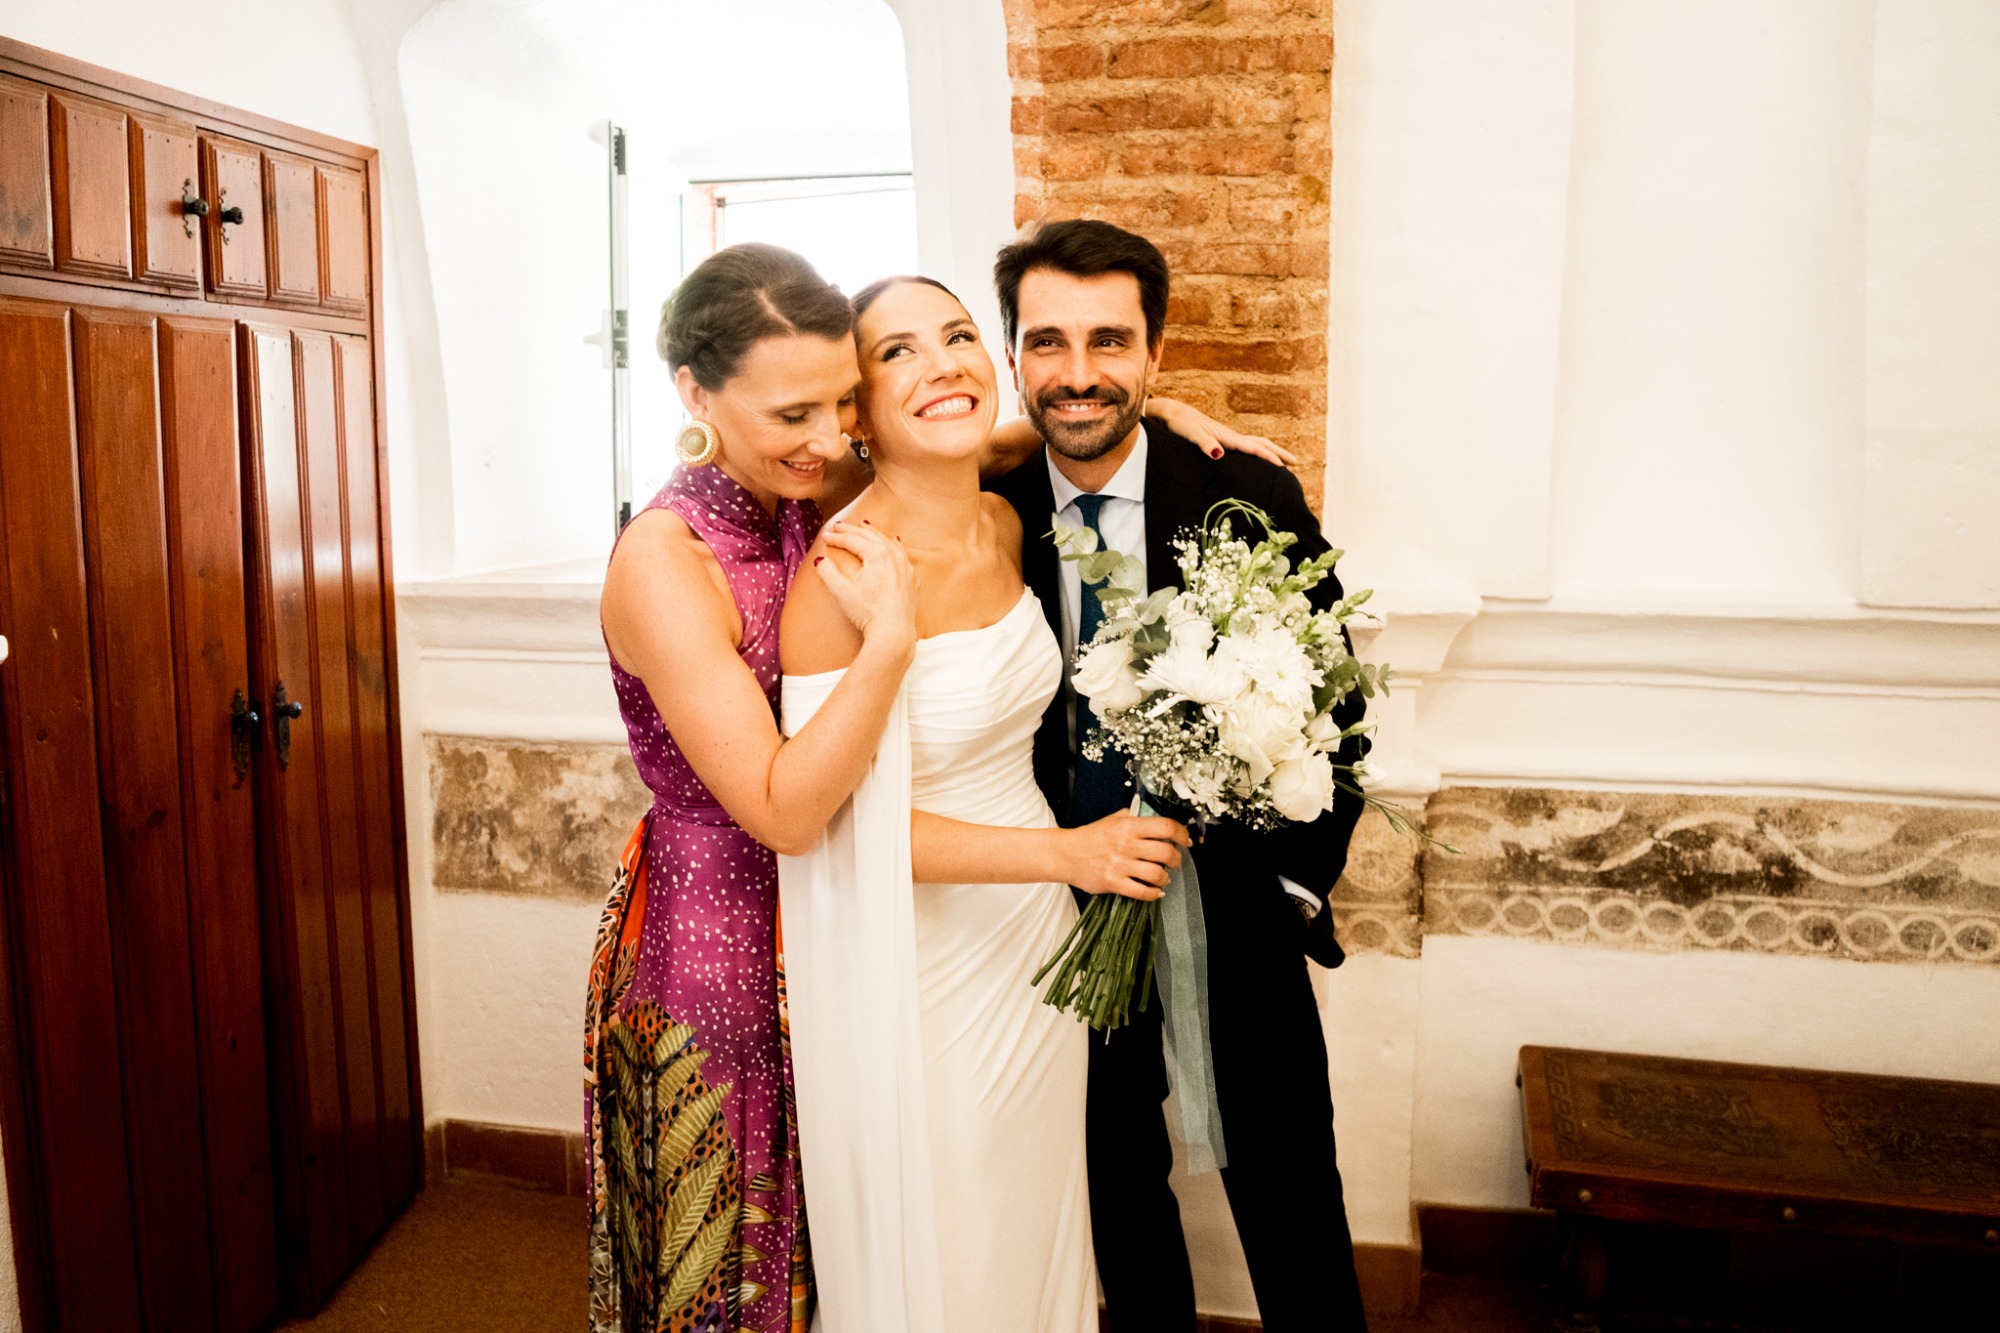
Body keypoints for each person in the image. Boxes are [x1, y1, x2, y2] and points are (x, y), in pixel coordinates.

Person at [589, 242, 1271, 1333]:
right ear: (698, 395)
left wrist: (1156, 405)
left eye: (832, 405)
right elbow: (794, 812)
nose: (818, 440)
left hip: (1004, 935)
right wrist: (892, 644)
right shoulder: (708, 558)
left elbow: (970, 430)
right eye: (795, 414)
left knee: (972, 1227)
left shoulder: (865, 496)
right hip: (753, 922)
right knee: (745, 1239)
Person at [775, 275, 1191, 1333]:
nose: (943, 362)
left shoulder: (1005, 524)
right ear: (854, 409)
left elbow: (1019, 443)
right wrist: (1074, 857)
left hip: (1033, 951)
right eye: (897, 352)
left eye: (957, 336)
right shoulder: (839, 577)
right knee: (948, 1242)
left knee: (1029, 1225)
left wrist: (1170, 412)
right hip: (918, 964)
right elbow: (837, 827)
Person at [986, 219, 1373, 1333]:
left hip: (1232, 901)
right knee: (1114, 1192)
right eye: (1046, 341)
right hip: (1060, 914)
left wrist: (1295, 883)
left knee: (1291, 1180)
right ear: (1014, 357)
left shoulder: (1241, 493)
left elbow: (1333, 700)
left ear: (1154, 355)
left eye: (1109, 341)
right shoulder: (983, 513)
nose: (1077, 373)